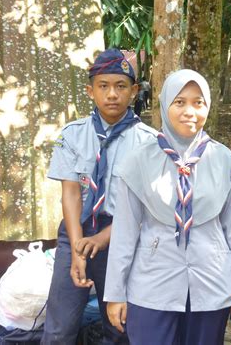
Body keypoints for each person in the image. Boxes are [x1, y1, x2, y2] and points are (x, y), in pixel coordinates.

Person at [104, 69, 231, 345]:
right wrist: (115, 294)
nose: (190, 111)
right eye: (180, 102)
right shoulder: (138, 162)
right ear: (165, 105)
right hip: (152, 285)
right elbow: (124, 233)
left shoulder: (224, 161)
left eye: (199, 102)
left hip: (211, 284)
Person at [42, 48, 156, 344]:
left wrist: (103, 239)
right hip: (76, 235)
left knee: (119, 326)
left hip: (122, 236)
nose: (112, 94)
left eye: (120, 86)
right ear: (90, 91)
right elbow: (70, 193)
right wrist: (79, 247)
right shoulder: (72, 135)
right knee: (58, 328)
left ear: (133, 91)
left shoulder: (149, 143)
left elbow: (145, 207)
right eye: (103, 86)